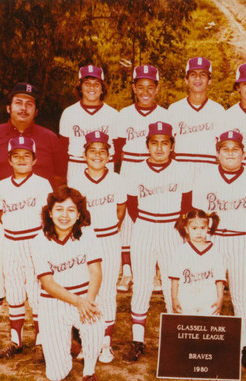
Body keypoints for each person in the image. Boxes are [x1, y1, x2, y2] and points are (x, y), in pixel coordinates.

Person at [0, 82, 66, 348]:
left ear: (36, 110)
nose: (24, 108)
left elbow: (58, 176)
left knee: (38, 275)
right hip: (0, 217)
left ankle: (42, 335)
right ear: (8, 107)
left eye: (30, 103)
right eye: (18, 102)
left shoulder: (48, 138)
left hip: (36, 223)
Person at [192, 130, 246, 369]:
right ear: (217, 153)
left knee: (242, 294)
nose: (231, 153)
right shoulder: (205, 176)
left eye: (236, 149)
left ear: (244, 153)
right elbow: (198, 216)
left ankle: (243, 345)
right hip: (214, 241)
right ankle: (207, 341)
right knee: (207, 292)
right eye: (225, 149)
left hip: (244, 239)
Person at [123, 121, 192, 363]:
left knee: (173, 282)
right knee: (142, 283)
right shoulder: (135, 170)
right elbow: (131, 205)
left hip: (172, 228)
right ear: (147, 145)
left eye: (165, 143)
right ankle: (137, 340)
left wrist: (178, 228)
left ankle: (176, 338)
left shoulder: (183, 169)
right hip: (144, 227)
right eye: (154, 143)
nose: (160, 148)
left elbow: (186, 205)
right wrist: (146, 223)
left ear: (172, 145)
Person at [32, 185, 106, 381]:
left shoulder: (88, 234)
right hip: (53, 302)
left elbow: (96, 273)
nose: (64, 215)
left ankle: (89, 372)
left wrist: (88, 301)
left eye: (71, 210)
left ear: (79, 213)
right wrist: (78, 302)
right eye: (59, 209)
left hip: (84, 295)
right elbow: (47, 283)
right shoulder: (39, 241)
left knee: (95, 322)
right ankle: (70, 342)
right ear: (49, 212)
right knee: (57, 374)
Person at [0, 136, 52, 362]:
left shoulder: (42, 183)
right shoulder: (2, 186)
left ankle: (41, 341)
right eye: (16, 156)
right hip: (11, 242)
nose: (21, 159)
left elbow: (48, 213)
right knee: (15, 291)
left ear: (35, 159)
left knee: (37, 293)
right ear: (9, 160)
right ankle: (15, 341)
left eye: (27, 155)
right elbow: (1, 214)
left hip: (34, 241)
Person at [68, 131, 126, 363]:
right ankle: (87, 340)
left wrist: (110, 228)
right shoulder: (76, 181)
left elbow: (121, 210)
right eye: (92, 151)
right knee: (85, 289)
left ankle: (105, 343)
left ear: (109, 156)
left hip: (109, 239)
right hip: (85, 239)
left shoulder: (117, 179)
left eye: (103, 151)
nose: (97, 155)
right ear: (84, 155)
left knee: (108, 290)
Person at [116, 64, 169, 292]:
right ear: (133, 88)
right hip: (130, 168)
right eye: (140, 86)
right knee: (128, 222)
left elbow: (170, 148)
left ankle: (156, 273)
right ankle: (127, 272)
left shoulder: (166, 116)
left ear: (157, 89)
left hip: (156, 169)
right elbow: (117, 151)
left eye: (150, 86)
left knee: (155, 218)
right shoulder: (123, 115)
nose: (145, 91)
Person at [168, 57, 225, 176]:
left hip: (208, 169)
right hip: (180, 168)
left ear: (210, 80)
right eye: (193, 74)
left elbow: (222, 148)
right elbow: (168, 145)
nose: (198, 78)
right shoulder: (174, 109)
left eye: (203, 75)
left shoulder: (218, 111)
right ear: (186, 79)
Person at [59, 65, 117, 181]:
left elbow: (118, 145)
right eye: (87, 84)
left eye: (96, 84)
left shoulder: (113, 114)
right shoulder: (69, 113)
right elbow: (63, 148)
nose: (92, 88)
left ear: (102, 89)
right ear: (80, 88)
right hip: (76, 164)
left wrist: (102, 162)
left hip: (104, 165)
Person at [170, 209, 226, 315]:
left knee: (208, 329)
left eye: (202, 228)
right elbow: (175, 279)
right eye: (194, 228)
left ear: (207, 228)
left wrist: (220, 298)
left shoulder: (215, 251)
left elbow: (219, 279)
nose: (199, 232)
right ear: (187, 229)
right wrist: (174, 299)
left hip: (209, 302)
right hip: (186, 300)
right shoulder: (181, 251)